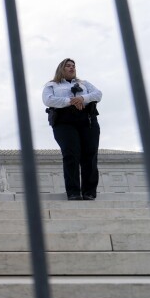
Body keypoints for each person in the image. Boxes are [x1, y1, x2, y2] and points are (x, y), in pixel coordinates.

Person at [42, 58, 102, 200]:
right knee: (71, 154)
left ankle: (89, 191)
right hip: (64, 122)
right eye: (68, 66)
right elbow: (48, 100)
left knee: (90, 154)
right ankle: (73, 191)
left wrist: (82, 98)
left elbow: (98, 94)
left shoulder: (84, 83)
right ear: (61, 68)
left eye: (73, 66)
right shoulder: (52, 85)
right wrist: (71, 101)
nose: (71, 68)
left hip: (87, 120)